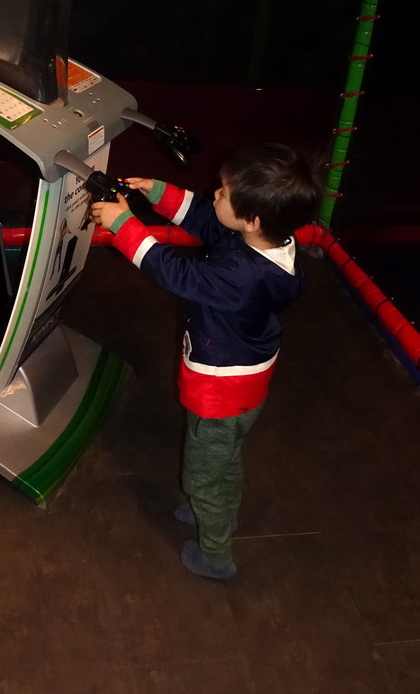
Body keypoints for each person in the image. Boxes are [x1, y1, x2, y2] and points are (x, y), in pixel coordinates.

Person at [90, 143, 323, 581]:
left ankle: (216, 553)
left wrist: (124, 225)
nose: (214, 194)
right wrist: (158, 191)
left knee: (204, 474)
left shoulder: (242, 276)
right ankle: (221, 511)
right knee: (225, 456)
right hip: (244, 382)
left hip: (222, 387)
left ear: (252, 219)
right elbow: (203, 217)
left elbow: (174, 271)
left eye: (222, 192)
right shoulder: (262, 239)